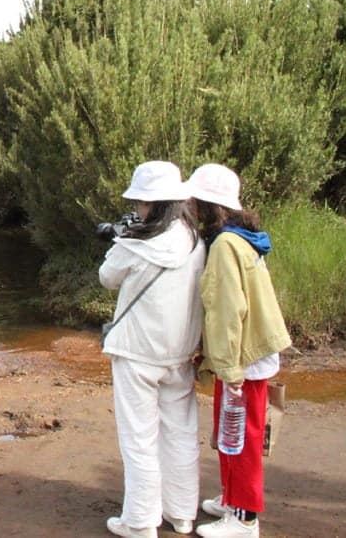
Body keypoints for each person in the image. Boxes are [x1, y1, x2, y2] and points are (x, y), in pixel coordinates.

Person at [99, 161, 207, 538]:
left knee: (139, 438)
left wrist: (122, 236)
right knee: (179, 433)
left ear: (152, 204)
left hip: (136, 353)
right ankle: (181, 514)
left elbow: (106, 278)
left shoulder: (135, 245)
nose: (138, 208)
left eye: (141, 202)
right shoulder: (197, 243)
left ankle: (141, 521)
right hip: (179, 353)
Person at [187, 163, 292, 538]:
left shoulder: (225, 245)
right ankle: (233, 498)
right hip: (246, 353)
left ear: (208, 205)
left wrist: (229, 368)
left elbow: (228, 310)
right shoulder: (240, 236)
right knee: (231, 429)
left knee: (242, 434)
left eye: (195, 200)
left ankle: (245, 518)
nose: (190, 206)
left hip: (243, 356)